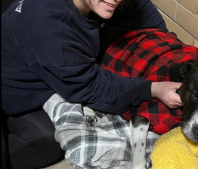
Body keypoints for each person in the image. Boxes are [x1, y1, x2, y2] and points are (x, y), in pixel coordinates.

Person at [1, 0, 183, 168]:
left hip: (49, 57)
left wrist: (170, 50)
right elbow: (93, 89)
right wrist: (153, 89)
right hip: (17, 94)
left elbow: (146, 15)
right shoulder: (52, 29)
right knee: (47, 141)